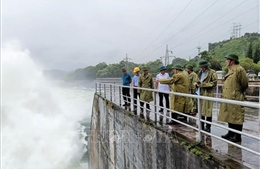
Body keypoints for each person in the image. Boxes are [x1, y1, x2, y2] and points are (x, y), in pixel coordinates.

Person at [218, 54, 248, 142]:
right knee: (229, 115)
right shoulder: (230, 69)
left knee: (237, 117)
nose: (226, 61)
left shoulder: (239, 69)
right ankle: (230, 133)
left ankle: (237, 136)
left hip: (235, 97)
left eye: (227, 59)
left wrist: (237, 92)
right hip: (228, 97)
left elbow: (244, 84)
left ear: (232, 61)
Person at [196, 60, 217, 132]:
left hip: (207, 93)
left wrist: (203, 85)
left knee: (208, 111)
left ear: (206, 66)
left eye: (202, 67)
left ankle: (208, 127)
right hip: (199, 93)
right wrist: (196, 84)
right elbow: (196, 81)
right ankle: (201, 126)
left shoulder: (212, 72)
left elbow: (214, 83)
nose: (201, 68)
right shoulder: (200, 72)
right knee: (201, 111)